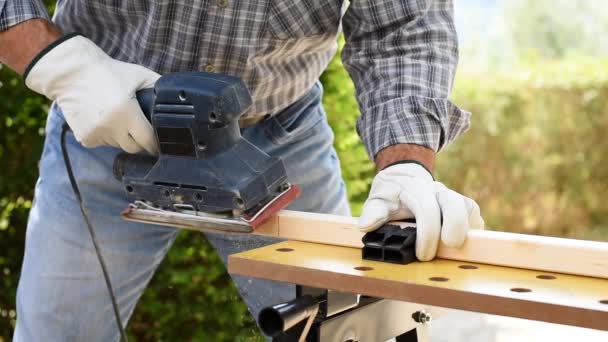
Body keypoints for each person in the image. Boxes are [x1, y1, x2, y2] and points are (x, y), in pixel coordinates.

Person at [0, 0, 484, 340]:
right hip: (105, 123)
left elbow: (401, 25)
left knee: (343, 328)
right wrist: (63, 67)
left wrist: (406, 166)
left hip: (279, 130)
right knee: (59, 334)